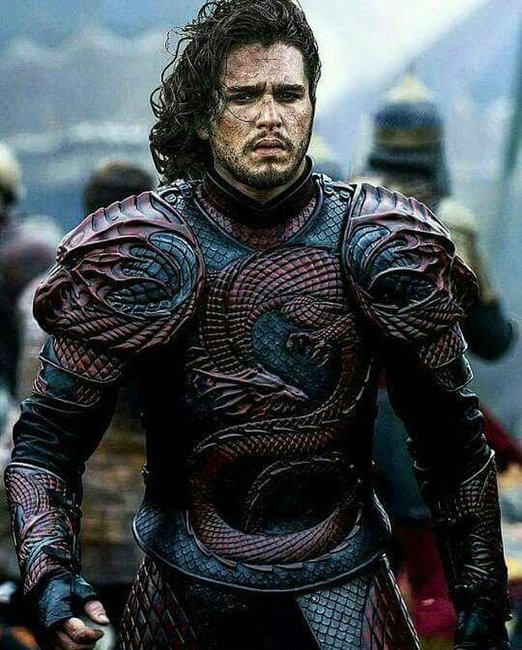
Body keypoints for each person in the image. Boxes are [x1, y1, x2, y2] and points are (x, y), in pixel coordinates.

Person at [3, 2, 512, 649]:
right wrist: (49, 567)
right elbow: (48, 442)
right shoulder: (145, 247)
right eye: (245, 96)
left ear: (311, 105)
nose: (270, 115)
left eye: (287, 95)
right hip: (183, 589)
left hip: (347, 585)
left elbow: (452, 442)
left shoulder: (378, 240)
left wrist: (481, 593)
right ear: (205, 112)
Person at [350, 73, 518, 647]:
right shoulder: (451, 221)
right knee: (436, 576)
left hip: (337, 416)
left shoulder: (339, 208)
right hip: (417, 424)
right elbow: (492, 340)